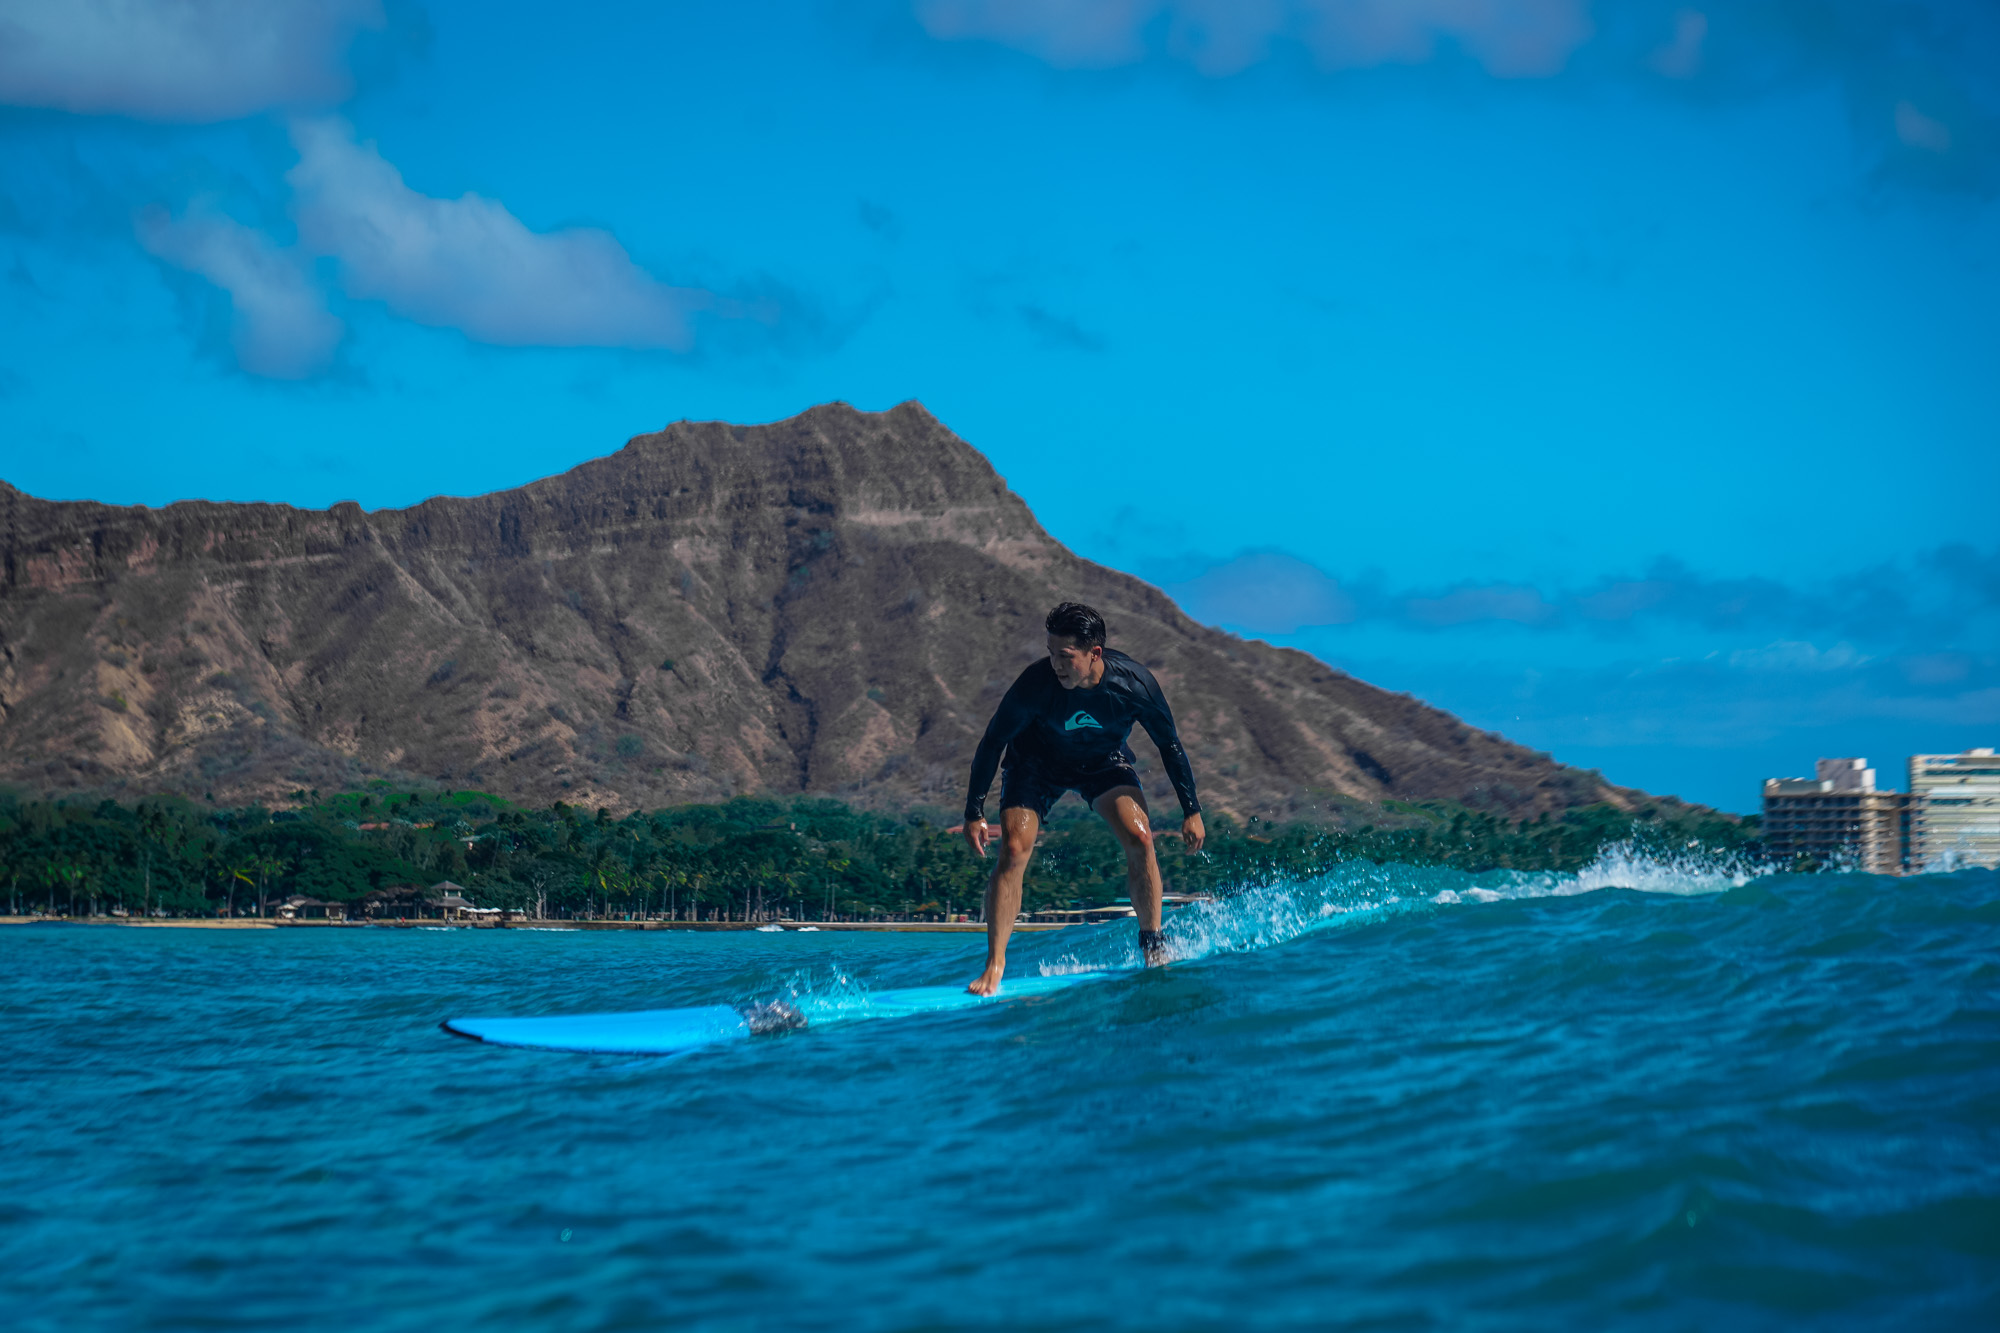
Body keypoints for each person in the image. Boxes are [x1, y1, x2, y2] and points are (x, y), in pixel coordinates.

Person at [962, 601, 1204, 994]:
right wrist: (974, 811)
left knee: (1141, 837)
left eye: (1065, 656)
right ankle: (995, 965)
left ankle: (1153, 945)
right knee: (1014, 847)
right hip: (1035, 764)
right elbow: (993, 741)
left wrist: (1191, 810)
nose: (1056, 664)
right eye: (1051, 653)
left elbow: (1169, 744)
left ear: (1095, 653)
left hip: (1103, 762)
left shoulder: (1133, 685)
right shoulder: (1035, 684)